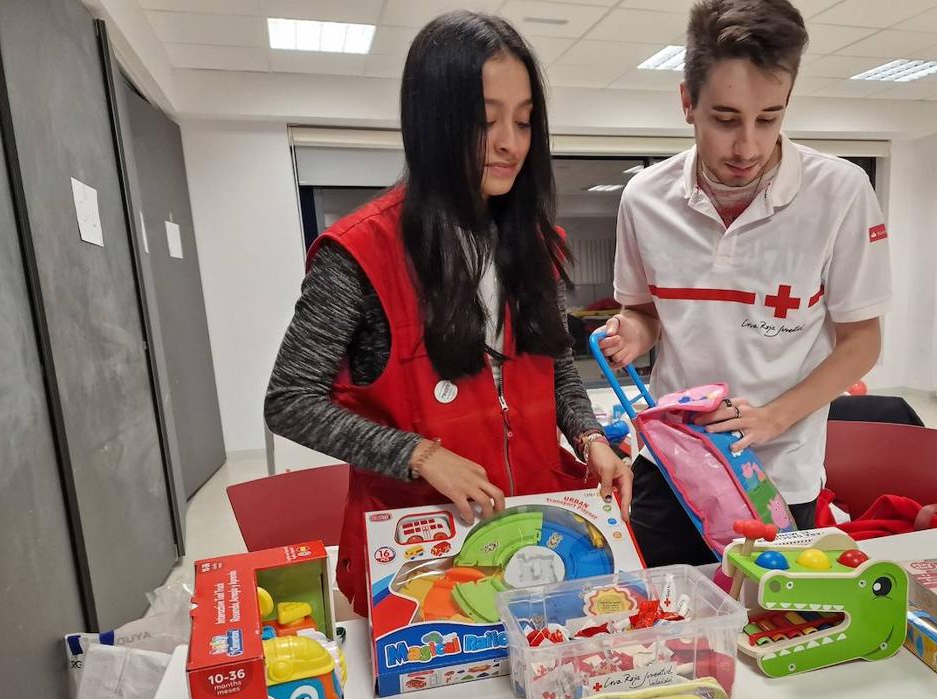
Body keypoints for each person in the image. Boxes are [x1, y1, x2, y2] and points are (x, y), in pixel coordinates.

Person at [265, 11, 631, 616]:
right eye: (486, 122)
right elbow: (290, 400)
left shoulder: (536, 243)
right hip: (422, 554)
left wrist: (589, 437)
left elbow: (556, 366)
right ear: (433, 124)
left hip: (535, 538)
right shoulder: (361, 252)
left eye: (523, 121)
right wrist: (420, 455)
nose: (510, 143)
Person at [599, 0, 890, 566]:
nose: (748, 147)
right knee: (667, 625)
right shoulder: (644, 199)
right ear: (688, 103)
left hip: (776, 473)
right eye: (725, 119)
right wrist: (632, 333)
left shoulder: (841, 193)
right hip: (671, 462)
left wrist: (772, 417)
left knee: (767, 628)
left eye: (769, 118)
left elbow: (863, 342)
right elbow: (643, 312)